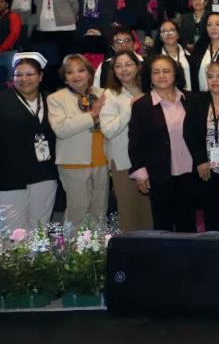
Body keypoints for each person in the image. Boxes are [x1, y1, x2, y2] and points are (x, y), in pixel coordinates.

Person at [127, 55, 194, 232]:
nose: (161, 76)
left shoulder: (190, 99)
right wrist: (140, 172)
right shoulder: (142, 105)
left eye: (166, 71)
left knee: (188, 224)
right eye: (156, 72)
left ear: (175, 74)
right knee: (163, 224)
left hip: (190, 172)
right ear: (149, 76)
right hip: (158, 173)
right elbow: (135, 141)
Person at [48, 54, 108, 227]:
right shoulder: (56, 98)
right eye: (70, 72)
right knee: (78, 212)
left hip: (102, 160)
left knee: (99, 211)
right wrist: (92, 115)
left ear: (89, 74)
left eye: (81, 70)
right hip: (73, 161)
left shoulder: (102, 94)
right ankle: (72, 245)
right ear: (65, 78)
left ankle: (97, 244)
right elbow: (61, 129)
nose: (76, 75)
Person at [0, 53, 58, 231]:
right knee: (13, 232)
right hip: (10, 176)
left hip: (44, 173)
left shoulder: (51, 100)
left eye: (30, 74)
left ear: (40, 76)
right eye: (18, 74)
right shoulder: (3, 100)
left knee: (40, 229)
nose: (24, 79)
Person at [183, 60, 219, 235]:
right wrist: (200, 160)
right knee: (212, 215)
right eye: (210, 76)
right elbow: (189, 133)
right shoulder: (197, 101)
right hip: (206, 169)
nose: (214, 80)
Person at [99, 51, 153, 232]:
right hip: (123, 162)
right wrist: (130, 108)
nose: (124, 69)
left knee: (149, 212)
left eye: (128, 64)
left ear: (138, 66)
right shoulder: (110, 94)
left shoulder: (149, 89)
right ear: (113, 71)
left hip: (149, 159)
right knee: (129, 213)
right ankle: (130, 250)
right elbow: (108, 130)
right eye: (118, 66)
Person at [153, 20, 192, 91]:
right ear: (160, 37)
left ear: (178, 35)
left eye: (172, 30)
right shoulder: (154, 59)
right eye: (164, 31)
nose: (168, 34)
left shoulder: (189, 55)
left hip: (189, 95)